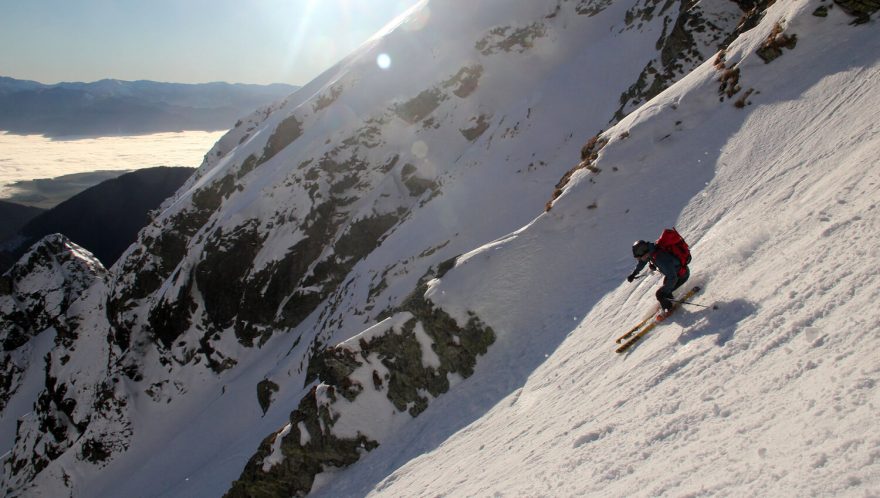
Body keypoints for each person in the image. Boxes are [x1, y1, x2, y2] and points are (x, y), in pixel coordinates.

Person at [627, 239, 690, 316]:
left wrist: (664, 292)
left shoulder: (660, 257)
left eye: (640, 258)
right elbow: (642, 263)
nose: (640, 260)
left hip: (681, 275)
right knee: (665, 290)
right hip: (676, 273)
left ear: (644, 252)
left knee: (660, 294)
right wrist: (634, 273)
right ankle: (669, 303)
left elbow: (673, 277)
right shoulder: (651, 250)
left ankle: (668, 310)